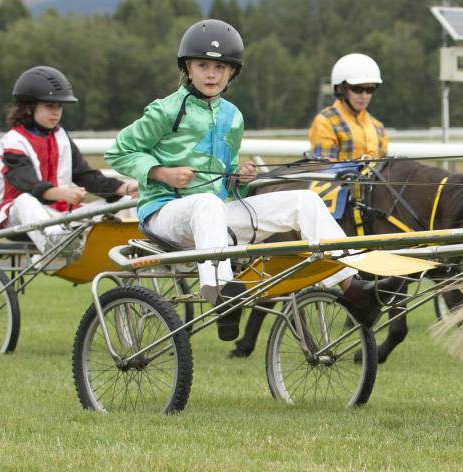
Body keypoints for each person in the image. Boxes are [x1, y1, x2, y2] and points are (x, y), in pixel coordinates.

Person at [104, 19, 389, 341]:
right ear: (188, 68)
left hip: (215, 219)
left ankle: (354, 287)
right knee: (207, 203)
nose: (212, 74)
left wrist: (239, 178)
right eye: (203, 66)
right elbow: (119, 152)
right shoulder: (165, 111)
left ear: (232, 73)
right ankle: (223, 295)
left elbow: (226, 186)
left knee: (304, 200)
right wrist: (160, 172)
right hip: (163, 215)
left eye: (220, 68)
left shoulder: (233, 117)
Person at [0, 65, 136, 255]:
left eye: (59, 106)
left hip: (62, 217)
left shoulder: (61, 136)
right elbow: (27, 184)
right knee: (24, 200)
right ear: (28, 107)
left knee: (125, 202)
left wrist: (124, 188)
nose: (56, 112)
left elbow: (85, 176)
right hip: (21, 217)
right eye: (50, 106)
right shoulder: (13, 141)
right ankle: (56, 244)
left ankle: (135, 248)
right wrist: (62, 193)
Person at [308, 53, 388, 161]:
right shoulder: (325, 122)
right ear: (341, 89)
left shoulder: (378, 127)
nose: (364, 96)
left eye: (370, 89)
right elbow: (324, 169)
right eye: (357, 89)